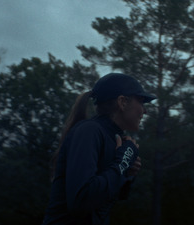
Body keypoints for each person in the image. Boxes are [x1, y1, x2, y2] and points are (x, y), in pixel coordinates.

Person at [42, 73, 156, 225]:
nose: (145, 111)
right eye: (141, 102)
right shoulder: (89, 131)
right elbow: (82, 201)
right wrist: (124, 160)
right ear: (122, 102)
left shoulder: (113, 138)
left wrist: (127, 173)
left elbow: (106, 199)